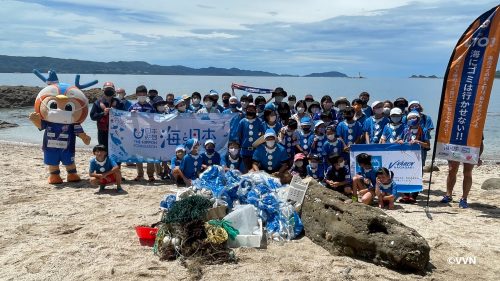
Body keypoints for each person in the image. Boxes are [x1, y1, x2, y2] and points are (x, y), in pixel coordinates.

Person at [397, 110, 430, 203]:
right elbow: (399, 139)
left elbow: (428, 145)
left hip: (419, 158)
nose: (412, 120)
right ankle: (406, 195)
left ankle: (414, 195)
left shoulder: (424, 130)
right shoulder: (405, 130)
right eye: (410, 118)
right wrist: (399, 141)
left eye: (414, 118)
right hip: (406, 157)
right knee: (405, 174)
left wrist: (418, 142)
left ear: (419, 119)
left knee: (417, 175)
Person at [441, 139, 484, 208]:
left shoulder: (476, 127)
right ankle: (448, 195)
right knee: (452, 170)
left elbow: (480, 141)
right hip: (455, 148)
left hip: (471, 149)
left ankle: (464, 198)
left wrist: (478, 156)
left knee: (467, 172)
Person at [129, 85, 156, 181]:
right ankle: (140, 174)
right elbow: (126, 119)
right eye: (140, 94)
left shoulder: (150, 107)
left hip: (148, 133)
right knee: (138, 154)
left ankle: (150, 174)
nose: (142, 96)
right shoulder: (133, 106)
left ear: (147, 95)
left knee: (150, 154)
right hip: (137, 133)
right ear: (136, 95)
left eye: (144, 94)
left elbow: (155, 120)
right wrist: (131, 114)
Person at [90, 81, 120, 148]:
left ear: (114, 91)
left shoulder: (118, 102)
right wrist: (103, 113)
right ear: (103, 90)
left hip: (116, 132)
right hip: (102, 132)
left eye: (111, 89)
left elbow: (125, 114)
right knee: (103, 149)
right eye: (107, 89)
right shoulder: (97, 103)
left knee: (116, 149)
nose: (109, 91)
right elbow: (92, 117)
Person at [236, 103, 264, 172]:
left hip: (256, 151)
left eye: (252, 110)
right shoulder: (242, 122)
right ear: (246, 110)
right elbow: (239, 135)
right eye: (249, 109)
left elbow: (263, 134)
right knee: (247, 170)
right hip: (245, 151)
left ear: (255, 111)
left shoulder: (259, 121)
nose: (250, 111)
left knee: (255, 170)